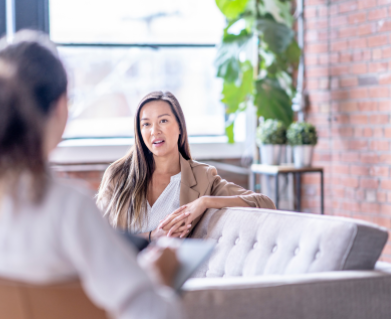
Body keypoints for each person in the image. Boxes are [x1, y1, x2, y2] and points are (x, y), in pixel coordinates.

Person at [0, 31, 182, 319]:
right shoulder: (70, 205)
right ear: (60, 107)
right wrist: (157, 280)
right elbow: (153, 313)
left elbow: (31, 288)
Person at [97, 91, 276, 241]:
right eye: (146, 124)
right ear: (140, 131)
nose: (155, 131)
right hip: (123, 274)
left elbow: (265, 203)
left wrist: (204, 202)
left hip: (173, 278)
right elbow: (96, 235)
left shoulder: (202, 177)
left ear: (180, 127)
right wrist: (152, 236)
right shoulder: (118, 175)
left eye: (163, 121)